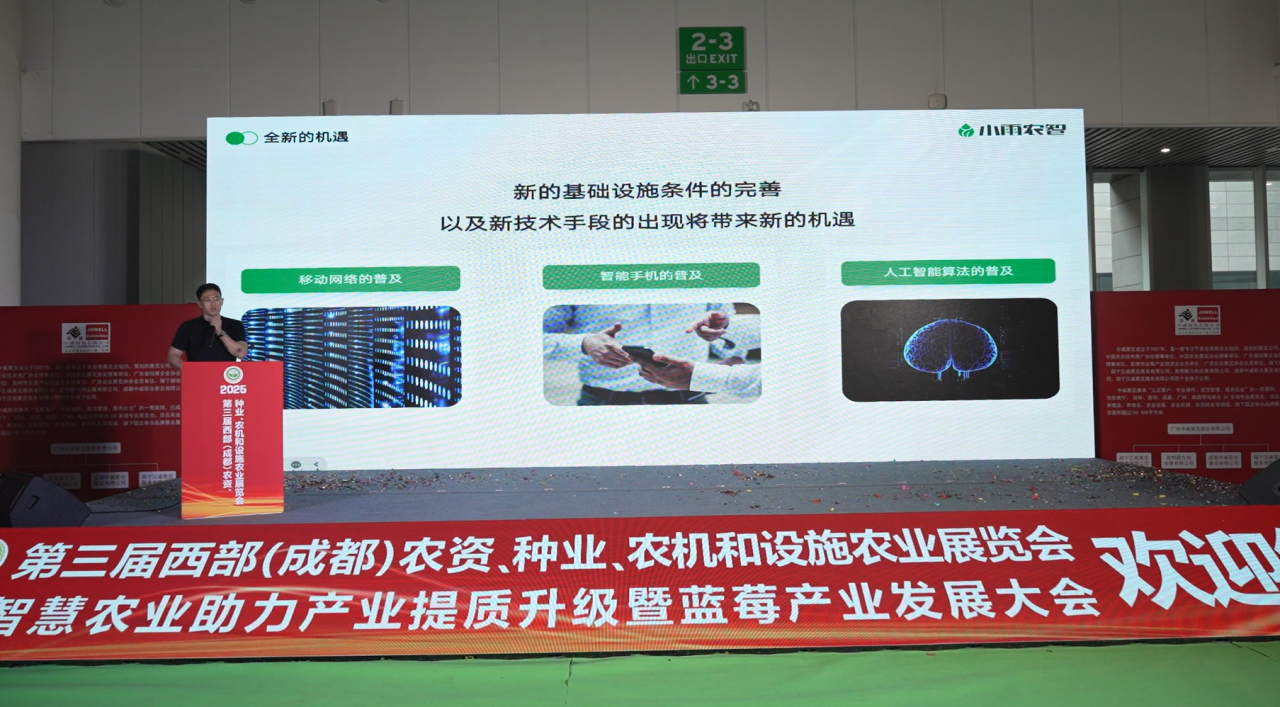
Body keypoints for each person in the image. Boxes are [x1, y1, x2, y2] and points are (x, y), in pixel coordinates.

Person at [543, 304, 732, 405]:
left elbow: (729, 334)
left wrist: (723, 331)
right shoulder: (578, 272)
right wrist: (583, 344)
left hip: (689, 401)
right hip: (605, 403)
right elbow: (535, 337)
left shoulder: (699, 268)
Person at [637, 313, 761, 398]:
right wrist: (726, 327)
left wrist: (704, 376)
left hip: (691, 395)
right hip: (627, 396)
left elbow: (733, 355)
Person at [167, 283, 247, 370]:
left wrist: (221, 332)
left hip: (226, 376)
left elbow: (241, 353)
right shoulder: (189, 327)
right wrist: (190, 370)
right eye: (207, 300)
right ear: (200, 304)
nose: (213, 304)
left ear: (222, 301)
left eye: (216, 299)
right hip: (198, 375)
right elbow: (173, 355)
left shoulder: (235, 325)